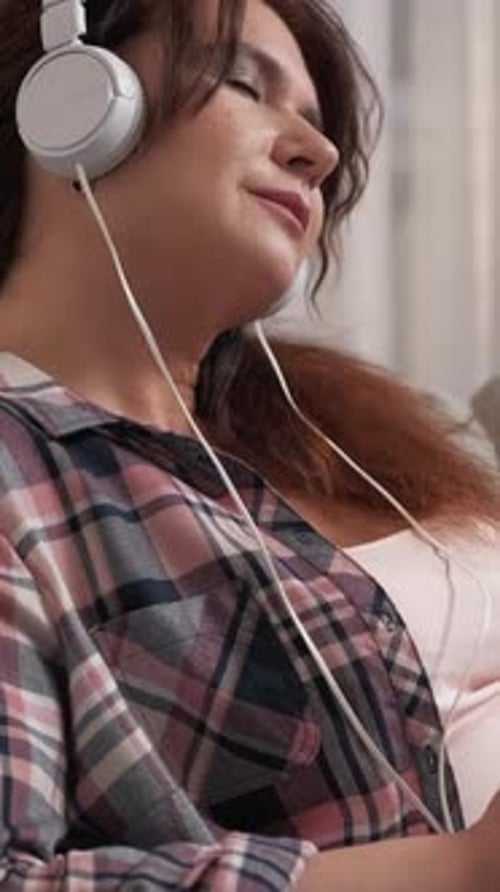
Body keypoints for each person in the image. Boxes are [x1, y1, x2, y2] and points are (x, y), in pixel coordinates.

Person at [0, 0, 499, 889]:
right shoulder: (24, 473)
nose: (322, 153)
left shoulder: (351, 429)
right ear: (70, 103)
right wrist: (463, 869)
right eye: (245, 84)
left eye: (316, 122)